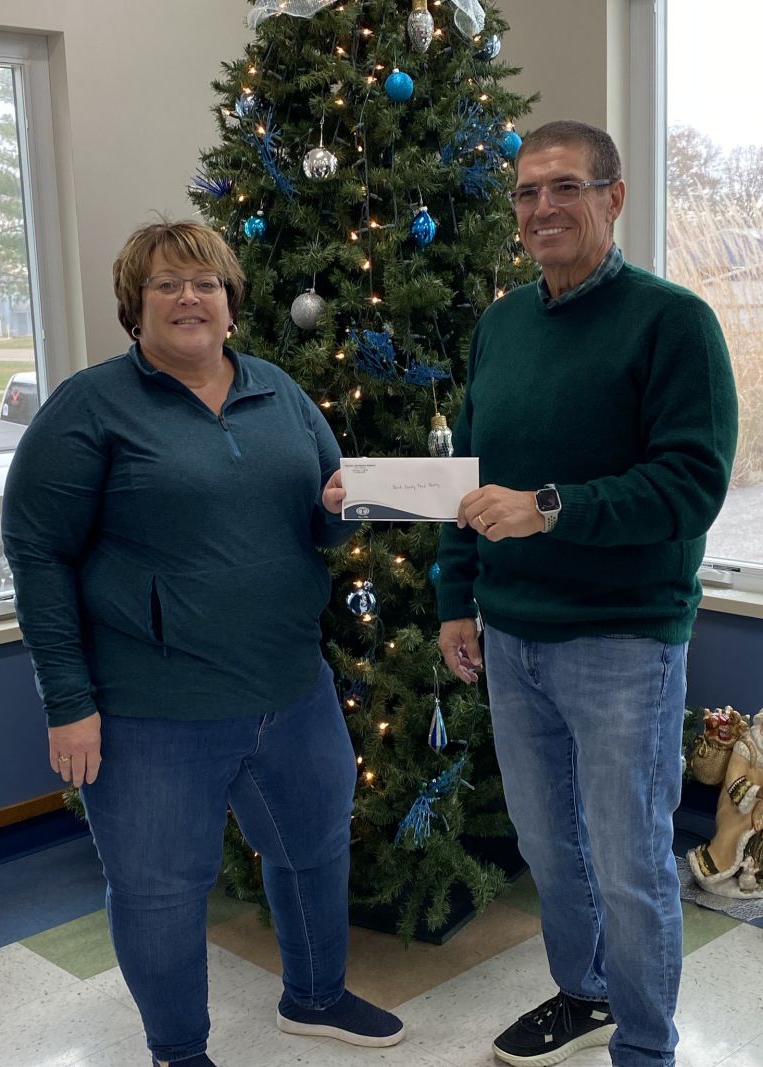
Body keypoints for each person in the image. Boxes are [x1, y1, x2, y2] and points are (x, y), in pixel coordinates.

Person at [1, 220, 404, 1067]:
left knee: (316, 847)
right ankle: (178, 1052)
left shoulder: (281, 394)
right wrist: (68, 704)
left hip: (291, 689)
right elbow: (38, 553)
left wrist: (338, 510)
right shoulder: (91, 406)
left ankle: (316, 995)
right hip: (154, 708)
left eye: (206, 283)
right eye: (167, 285)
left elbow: (325, 522)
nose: (190, 297)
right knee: (158, 892)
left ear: (232, 304)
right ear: (134, 308)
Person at [436, 121, 737, 1067]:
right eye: (526, 193)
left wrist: (552, 509)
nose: (541, 209)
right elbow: (469, 477)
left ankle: (646, 1048)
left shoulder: (671, 321)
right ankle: (586, 993)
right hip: (512, 638)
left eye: (564, 187)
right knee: (550, 848)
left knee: (631, 862)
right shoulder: (502, 324)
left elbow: (691, 484)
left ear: (612, 196)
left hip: (623, 645)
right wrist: (456, 595)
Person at [689, 708, 763, 896]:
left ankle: (755, 872)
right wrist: (756, 794)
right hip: (739, 807)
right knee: (733, 840)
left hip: (760, 806)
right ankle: (725, 867)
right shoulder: (747, 746)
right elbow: (734, 778)